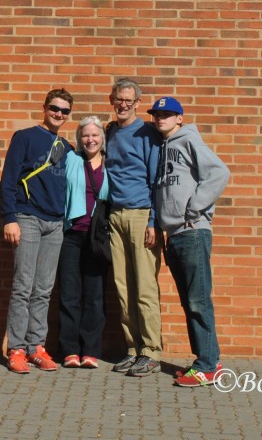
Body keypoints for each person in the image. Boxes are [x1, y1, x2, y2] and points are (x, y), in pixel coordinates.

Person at [147, 96, 230, 387]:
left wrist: (193, 208)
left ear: (180, 118)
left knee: (198, 300)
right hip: (176, 235)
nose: (161, 119)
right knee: (189, 301)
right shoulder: (164, 146)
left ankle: (208, 367)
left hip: (192, 230)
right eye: (157, 114)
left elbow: (219, 173)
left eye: (168, 114)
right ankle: (206, 360)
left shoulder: (188, 140)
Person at [0, 88, 74, 374]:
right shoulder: (25, 137)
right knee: (23, 286)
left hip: (55, 223)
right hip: (27, 217)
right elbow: (9, 179)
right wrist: (9, 217)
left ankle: (36, 347)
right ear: (45, 107)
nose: (59, 114)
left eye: (65, 111)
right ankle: (16, 348)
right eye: (55, 108)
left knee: (43, 289)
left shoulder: (66, 148)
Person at [103, 78, 163, 378]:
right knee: (123, 288)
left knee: (144, 287)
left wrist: (154, 221)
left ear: (137, 103)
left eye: (129, 100)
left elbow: (156, 180)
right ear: (111, 100)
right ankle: (133, 348)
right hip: (115, 215)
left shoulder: (147, 133)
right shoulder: (110, 131)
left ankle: (151, 352)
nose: (123, 104)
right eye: (118, 99)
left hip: (141, 215)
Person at [58, 116, 111, 369]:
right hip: (71, 235)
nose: (90, 139)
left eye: (95, 135)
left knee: (94, 294)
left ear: (102, 138)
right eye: (85, 135)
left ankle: (90, 350)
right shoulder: (71, 159)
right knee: (69, 294)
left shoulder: (110, 165)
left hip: (97, 237)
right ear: (79, 139)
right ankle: (69, 350)